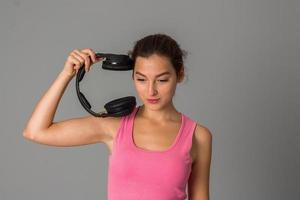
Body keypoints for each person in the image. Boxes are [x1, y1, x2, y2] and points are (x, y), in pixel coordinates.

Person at [23, 33, 212, 200]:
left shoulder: (198, 136)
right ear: (132, 77)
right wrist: (67, 74)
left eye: (162, 80)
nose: (151, 90)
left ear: (179, 75)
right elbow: (36, 131)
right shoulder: (115, 126)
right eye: (141, 79)